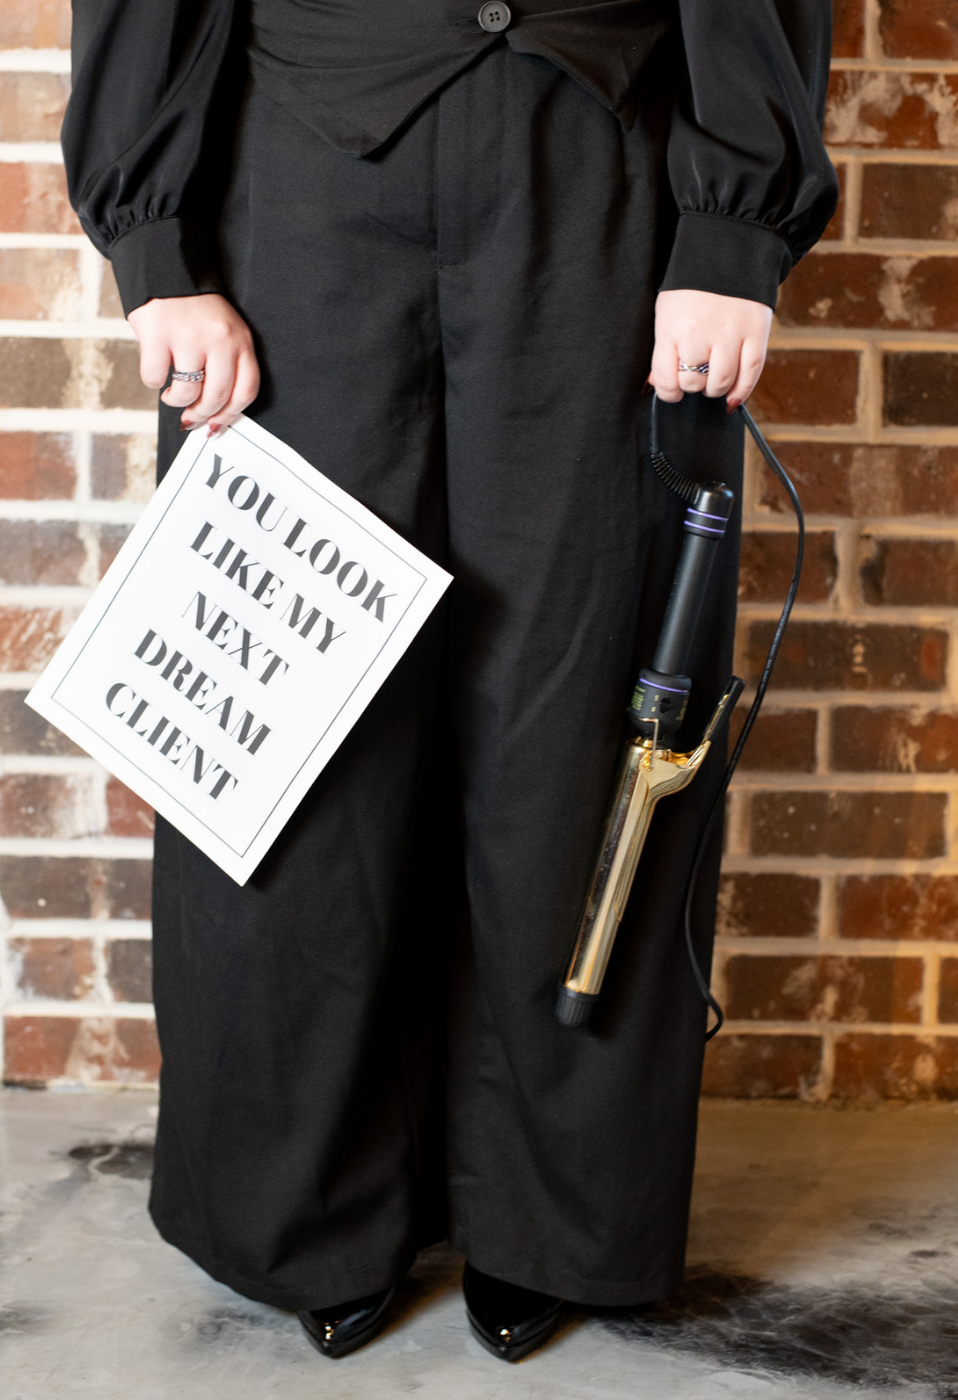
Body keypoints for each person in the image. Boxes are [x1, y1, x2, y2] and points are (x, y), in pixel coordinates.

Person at [63, 0, 836, 1363]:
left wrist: (732, 231)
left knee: (587, 716)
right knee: (299, 718)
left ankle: (553, 1214)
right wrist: (155, 239)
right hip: (289, 188)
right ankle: (305, 1207)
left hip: (603, 178)